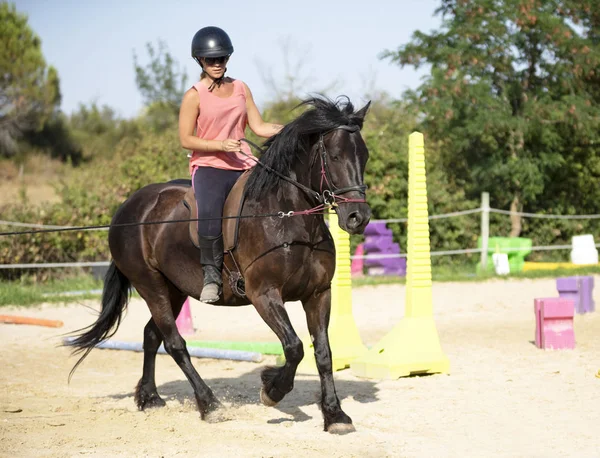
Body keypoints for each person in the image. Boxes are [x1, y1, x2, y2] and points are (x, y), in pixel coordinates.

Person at [179, 26, 283, 303]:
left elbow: (259, 126)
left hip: (244, 162)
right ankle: (211, 276)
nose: (217, 64)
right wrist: (219, 145)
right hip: (210, 166)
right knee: (210, 214)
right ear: (200, 60)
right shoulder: (194, 95)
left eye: (222, 59)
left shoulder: (240, 88)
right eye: (211, 60)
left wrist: (292, 129)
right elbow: (185, 139)